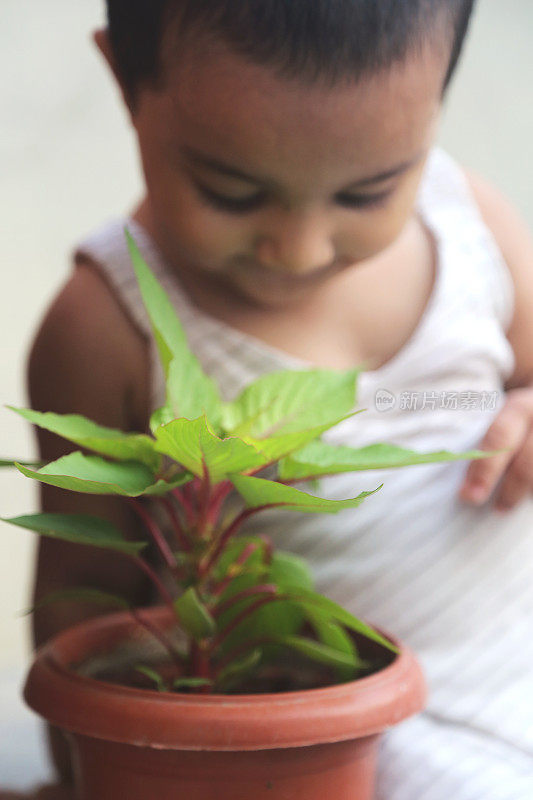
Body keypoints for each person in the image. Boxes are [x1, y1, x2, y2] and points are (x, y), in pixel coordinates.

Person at [26, 1, 533, 797]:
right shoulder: (105, 329)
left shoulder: (470, 226)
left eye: (367, 193)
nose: (298, 248)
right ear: (126, 81)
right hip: (348, 740)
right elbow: (78, 615)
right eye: (230, 191)